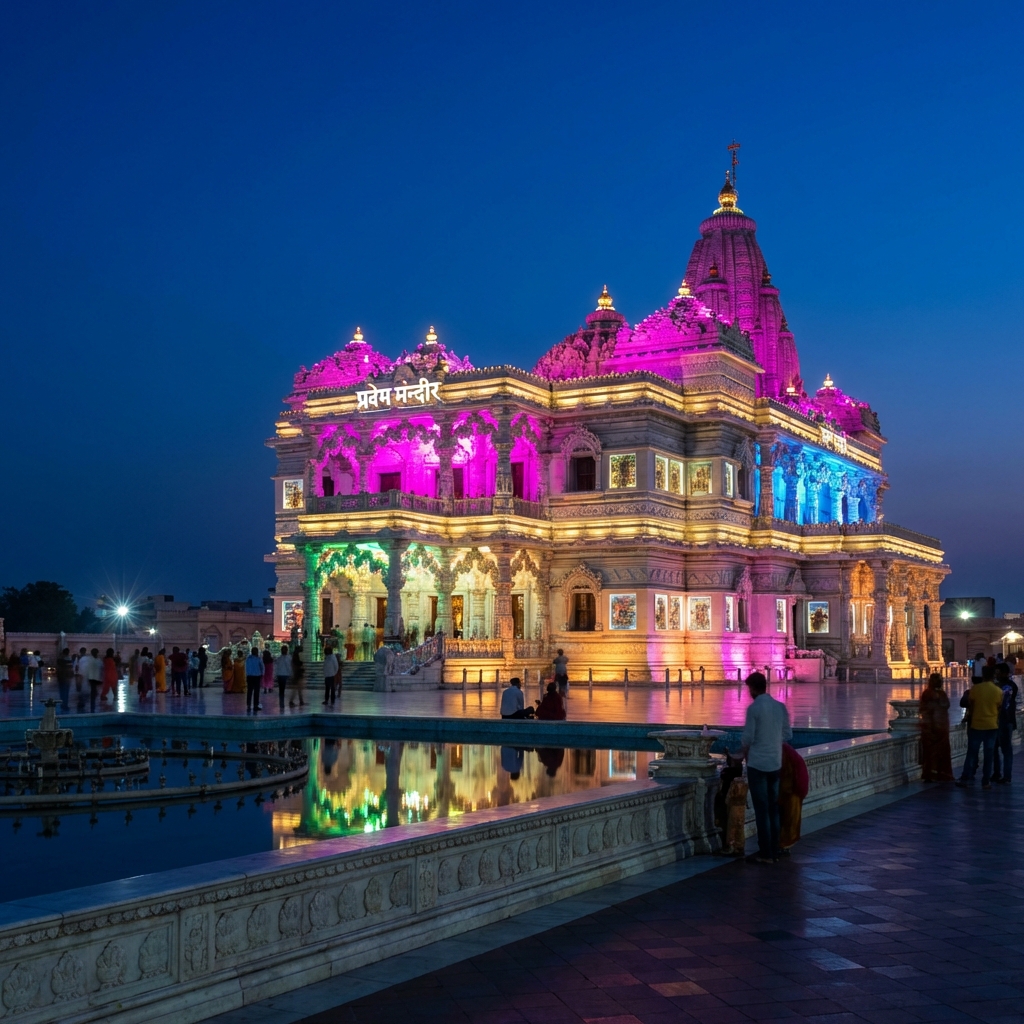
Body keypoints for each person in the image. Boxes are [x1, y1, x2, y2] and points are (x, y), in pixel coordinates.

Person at [739, 671, 793, 864]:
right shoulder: (780, 707)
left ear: (752, 689)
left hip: (757, 764)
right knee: (774, 808)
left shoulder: (754, 709)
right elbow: (788, 735)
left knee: (761, 810)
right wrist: (773, 740)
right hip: (775, 763)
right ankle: (776, 850)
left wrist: (743, 753)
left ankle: (765, 853)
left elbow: (747, 738)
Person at [956, 665, 1003, 788]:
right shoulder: (998, 691)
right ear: (993, 675)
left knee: (972, 753)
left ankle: (966, 778)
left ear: (983, 675)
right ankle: (986, 781)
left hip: (977, 725)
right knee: (989, 755)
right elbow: (999, 707)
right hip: (992, 726)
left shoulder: (976, 689)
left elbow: (970, 705)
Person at [919, 673, 954, 782]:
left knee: (930, 753)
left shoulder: (927, 693)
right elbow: (946, 706)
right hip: (941, 727)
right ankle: (941, 773)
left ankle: (930, 774)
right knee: (941, 752)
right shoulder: (941, 694)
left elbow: (923, 709)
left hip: (930, 727)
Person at [778, 742, 809, 853]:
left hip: (793, 787)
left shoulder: (783, 752)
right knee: (790, 817)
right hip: (793, 786)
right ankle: (785, 845)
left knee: (789, 816)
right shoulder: (784, 750)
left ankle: (784, 844)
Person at [991, 663, 1018, 785]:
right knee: (999, 748)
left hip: (1002, 720)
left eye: (998, 673)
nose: (996, 675)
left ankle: (1004, 775)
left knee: (1002, 749)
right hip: (1005, 720)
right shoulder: (1012, 686)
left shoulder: (1001, 687)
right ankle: (1001, 774)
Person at [244, 646, 263, 713]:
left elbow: (246, 667)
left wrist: (246, 674)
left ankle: (248, 705)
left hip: (250, 676)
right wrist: (262, 674)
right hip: (257, 676)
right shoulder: (258, 659)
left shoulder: (248, 659)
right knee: (256, 691)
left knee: (249, 691)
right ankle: (255, 705)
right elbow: (262, 667)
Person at [85, 647, 104, 711]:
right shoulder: (94, 660)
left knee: (94, 691)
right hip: (92, 678)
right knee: (94, 691)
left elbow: (102, 668)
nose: (96, 653)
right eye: (95, 652)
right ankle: (93, 705)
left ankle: (93, 704)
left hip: (95, 678)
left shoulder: (96, 660)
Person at [274, 643, 291, 711]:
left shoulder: (279, 658)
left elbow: (276, 667)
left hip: (280, 675)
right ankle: (282, 702)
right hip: (284, 675)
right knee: (282, 689)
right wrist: (291, 674)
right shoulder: (288, 658)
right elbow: (289, 667)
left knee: (281, 689)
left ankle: (281, 702)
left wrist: (275, 674)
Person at [55, 647, 73, 711]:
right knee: (66, 692)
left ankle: (63, 704)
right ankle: (65, 704)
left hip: (61, 677)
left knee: (62, 692)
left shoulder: (60, 659)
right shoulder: (68, 659)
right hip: (66, 677)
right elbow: (70, 669)